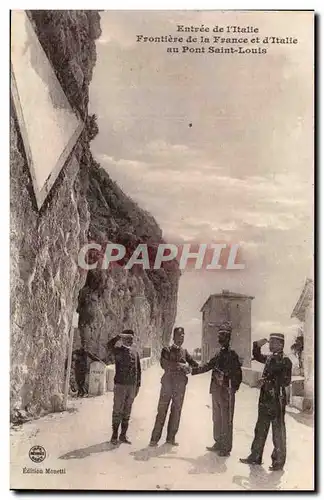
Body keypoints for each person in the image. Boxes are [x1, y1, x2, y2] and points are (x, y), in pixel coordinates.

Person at [240, 333, 292, 471]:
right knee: (260, 429)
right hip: (265, 399)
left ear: (281, 344)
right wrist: (258, 344)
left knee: (278, 432)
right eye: (270, 342)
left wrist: (268, 381)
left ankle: (278, 462)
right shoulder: (270, 358)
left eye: (273, 343)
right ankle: (255, 457)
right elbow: (257, 355)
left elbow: (285, 381)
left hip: (277, 399)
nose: (270, 345)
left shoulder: (286, 360)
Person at [191, 320, 242, 456]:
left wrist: (226, 381)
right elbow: (207, 366)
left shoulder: (233, 355)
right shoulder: (218, 354)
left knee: (226, 420)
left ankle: (226, 448)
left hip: (226, 392)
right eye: (219, 335)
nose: (220, 338)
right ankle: (218, 442)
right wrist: (191, 370)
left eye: (223, 336)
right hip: (216, 392)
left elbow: (238, 376)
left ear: (228, 338)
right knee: (217, 418)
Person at [149, 327, 199, 447]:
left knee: (176, 412)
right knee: (162, 411)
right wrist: (181, 366)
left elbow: (195, 365)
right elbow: (164, 364)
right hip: (167, 386)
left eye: (183, 336)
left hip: (180, 387)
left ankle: (171, 438)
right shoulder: (166, 350)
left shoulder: (185, 352)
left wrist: (190, 368)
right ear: (173, 337)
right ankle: (154, 439)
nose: (181, 338)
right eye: (179, 335)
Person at [107, 329, 141, 445]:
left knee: (127, 411)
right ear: (123, 339)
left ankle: (123, 435)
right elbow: (109, 346)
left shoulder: (135, 353)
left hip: (131, 387)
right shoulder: (118, 351)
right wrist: (118, 336)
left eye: (131, 338)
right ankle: (114, 435)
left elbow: (138, 370)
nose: (130, 340)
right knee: (117, 410)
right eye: (127, 338)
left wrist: (137, 386)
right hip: (120, 386)